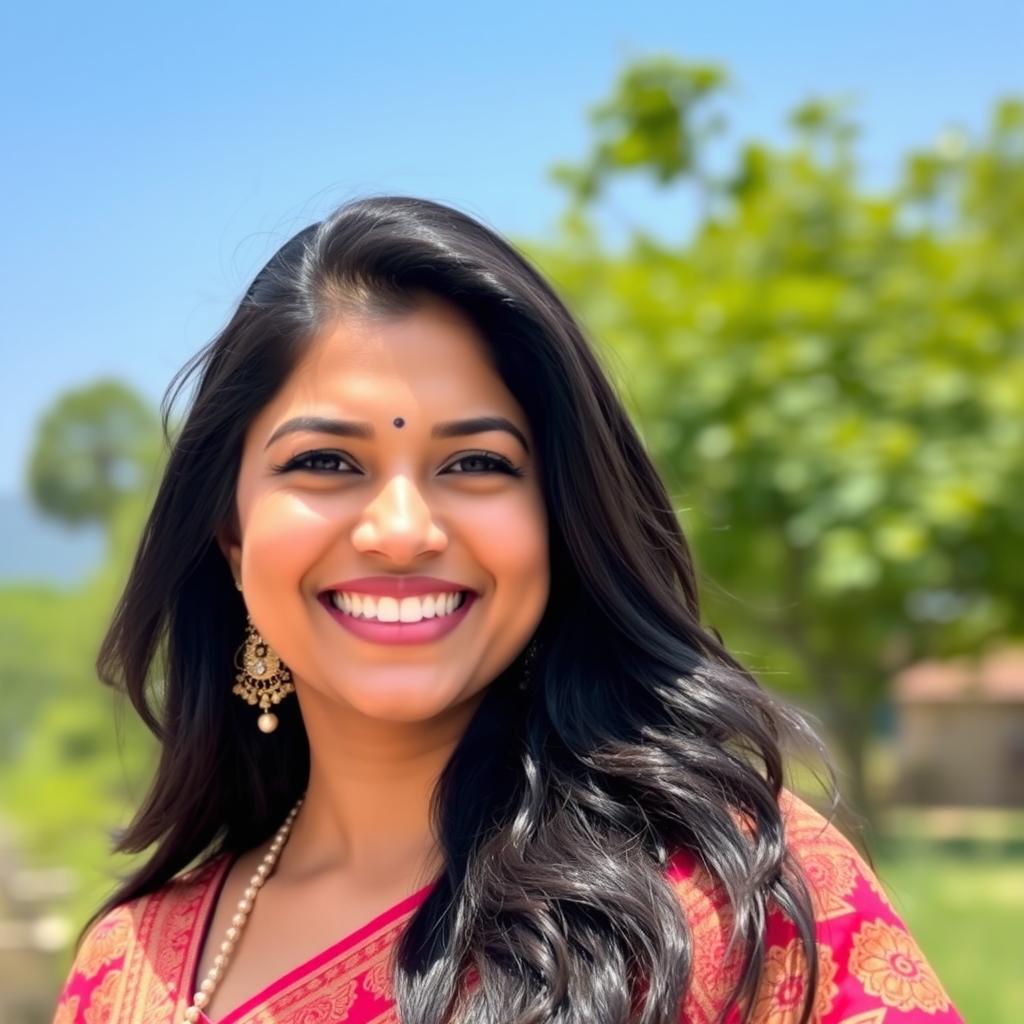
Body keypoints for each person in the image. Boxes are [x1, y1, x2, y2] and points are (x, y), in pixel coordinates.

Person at [52, 195, 963, 1024]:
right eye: (325, 463)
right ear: (232, 534)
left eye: (477, 464)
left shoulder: (734, 894)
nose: (402, 531)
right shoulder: (129, 973)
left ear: (557, 522)